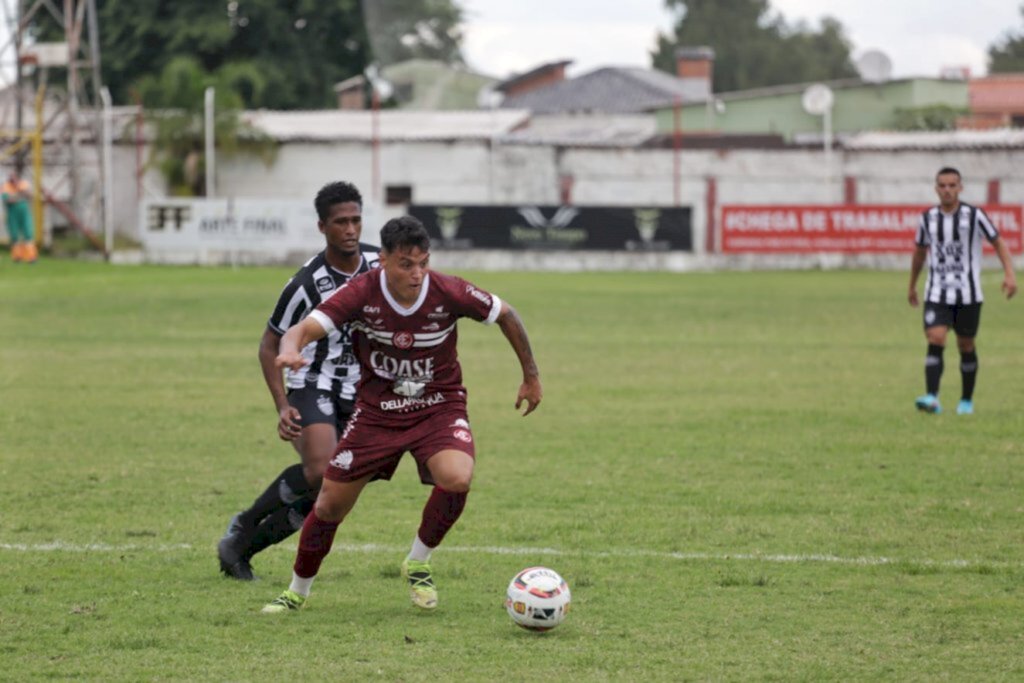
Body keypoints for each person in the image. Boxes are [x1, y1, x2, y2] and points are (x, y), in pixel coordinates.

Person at [261, 215, 542, 614]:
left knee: (457, 477)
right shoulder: (360, 293)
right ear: (384, 262)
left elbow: (506, 315)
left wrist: (531, 376)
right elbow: (302, 329)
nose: (417, 273)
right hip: (377, 414)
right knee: (328, 506)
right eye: (406, 264)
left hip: (438, 406)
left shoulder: (449, 290)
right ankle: (296, 592)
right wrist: (290, 349)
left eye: (423, 263)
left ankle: (418, 561)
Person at [217, 181, 380, 580]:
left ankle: (240, 548)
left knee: (332, 495)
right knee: (321, 470)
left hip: (363, 393)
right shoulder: (306, 283)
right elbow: (268, 343)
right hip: (314, 383)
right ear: (322, 226)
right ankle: (245, 520)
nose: (351, 230)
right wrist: (282, 404)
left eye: (356, 220)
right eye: (341, 222)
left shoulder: (381, 265)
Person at [907, 166, 1017, 415]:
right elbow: (919, 253)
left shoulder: (974, 215)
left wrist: (1010, 274)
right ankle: (932, 397)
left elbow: (997, 242)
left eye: (952, 185)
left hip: (968, 293)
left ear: (960, 187)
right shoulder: (926, 219)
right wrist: (912, 285)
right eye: (942, 186)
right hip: (936, 292)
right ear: (936, 189)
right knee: (936, 337)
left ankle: (966, 401)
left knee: (966, 345)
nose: (947, 190)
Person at [3, 169, 37, 263]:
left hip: (24, 212)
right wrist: (18, 195)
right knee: (14, 235)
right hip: (12, 213)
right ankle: (17, 257)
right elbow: (8, 200)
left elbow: (30, 195)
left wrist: (20, 192)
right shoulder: (6, 186)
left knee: (28, 234)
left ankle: (31, 257)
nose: (13, 179)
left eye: (14, 177)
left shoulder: (23, 184)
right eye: (11, 177)